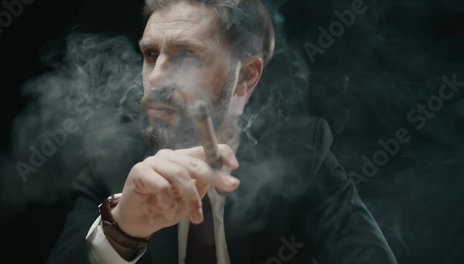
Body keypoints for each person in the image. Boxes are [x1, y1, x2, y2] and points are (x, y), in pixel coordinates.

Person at [47, 0, 398, 263]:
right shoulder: (112, 156)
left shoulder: (300, 151)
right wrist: (123, 230)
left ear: (246, 76)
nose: (155, 78)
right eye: (151, 53)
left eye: (186, 56)